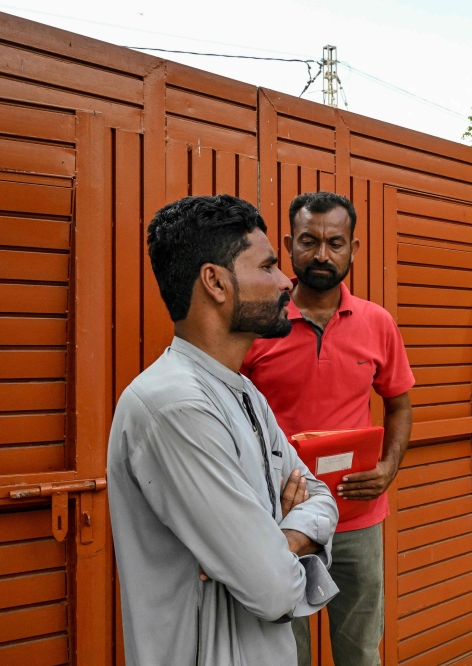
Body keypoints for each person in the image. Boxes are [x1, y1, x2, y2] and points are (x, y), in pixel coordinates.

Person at [108, 195, 339, 666]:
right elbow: (275, 591)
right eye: (268, 266)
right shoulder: (174, 407)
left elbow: (321, 498)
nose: (285, 279)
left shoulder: (245, 393)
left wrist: (276, 540)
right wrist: (287, 540)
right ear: (215, 281)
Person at [243, 191, 414, 666]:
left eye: (335, 242)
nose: (322, 254)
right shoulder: (260, 321)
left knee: (359, 651)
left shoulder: (377, 323)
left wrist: (389, 468)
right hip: (278, 519)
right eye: (309, 240)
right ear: (288, 245)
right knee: (284, 652)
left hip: (358, 516)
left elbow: (399, 406)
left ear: (353, 249)